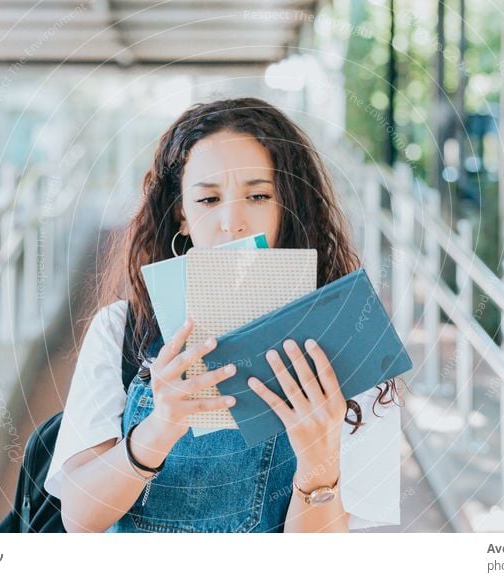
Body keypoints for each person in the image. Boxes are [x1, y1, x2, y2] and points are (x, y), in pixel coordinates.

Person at [44, 97, 402, 533]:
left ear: (286, 206)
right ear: (182, 215)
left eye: (258, 195)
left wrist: (317, 463)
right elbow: (79, 517)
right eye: (209, 199)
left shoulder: (348, 341)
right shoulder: (121, 330)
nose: (233, 221)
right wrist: (160, 427)